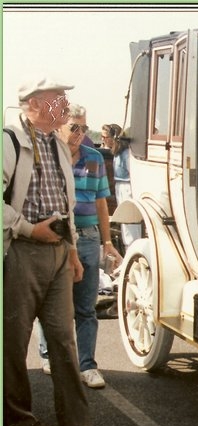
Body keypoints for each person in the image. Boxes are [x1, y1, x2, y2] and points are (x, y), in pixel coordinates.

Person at [3, 77, 104, 426]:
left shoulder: (56, 144)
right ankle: (17, 419)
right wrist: (29, 230)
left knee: (63, 339)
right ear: (32, 103)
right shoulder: (8, 140)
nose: (64, 104)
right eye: (57, 98)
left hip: (59, 252)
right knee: (13, 341)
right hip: (22, 251)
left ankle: (75, 423)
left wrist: (73, 251)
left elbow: (67, 204)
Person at [38, 104, 122, 389]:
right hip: (55, 236)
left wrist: (107, 241)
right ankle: (48, 355)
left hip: (87, 237)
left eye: (84, 128)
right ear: (61, 124)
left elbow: (101, 202)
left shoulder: (95, 158)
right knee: (50, 301)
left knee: (86, 307)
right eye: (74, 127)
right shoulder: (46, 156)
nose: (79, 133)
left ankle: (87, 366)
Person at [102, 123, 140, 250]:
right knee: (125, 222)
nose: (103, 140)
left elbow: (133, 174)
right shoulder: (117, 153)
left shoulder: (125, 154)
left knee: (129, 221)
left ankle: (132, 247)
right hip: (121, 187)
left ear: (113, 137)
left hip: (127, 188)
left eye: (105, 137)